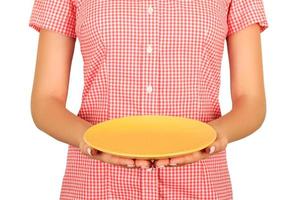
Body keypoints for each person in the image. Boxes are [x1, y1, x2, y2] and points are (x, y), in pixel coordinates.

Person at [28, 0, 269, 199]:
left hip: (199, 185)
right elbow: (45, 99)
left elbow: (251, 100)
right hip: (97, 183)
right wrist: (88, 139)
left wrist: (214, 136)